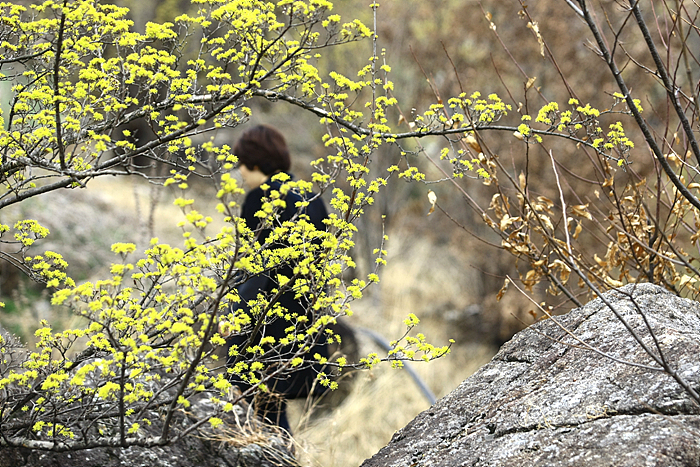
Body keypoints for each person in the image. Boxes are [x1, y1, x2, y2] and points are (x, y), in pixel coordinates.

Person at [225, 124, 329, 432]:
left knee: (259, 411)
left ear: (256, 163)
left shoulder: (259, 199)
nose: (240, 172)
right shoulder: (313, 197)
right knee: (273, 407)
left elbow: (252, 267)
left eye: (241, 164)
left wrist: (235, 311)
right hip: (300, 321)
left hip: (263, 321)